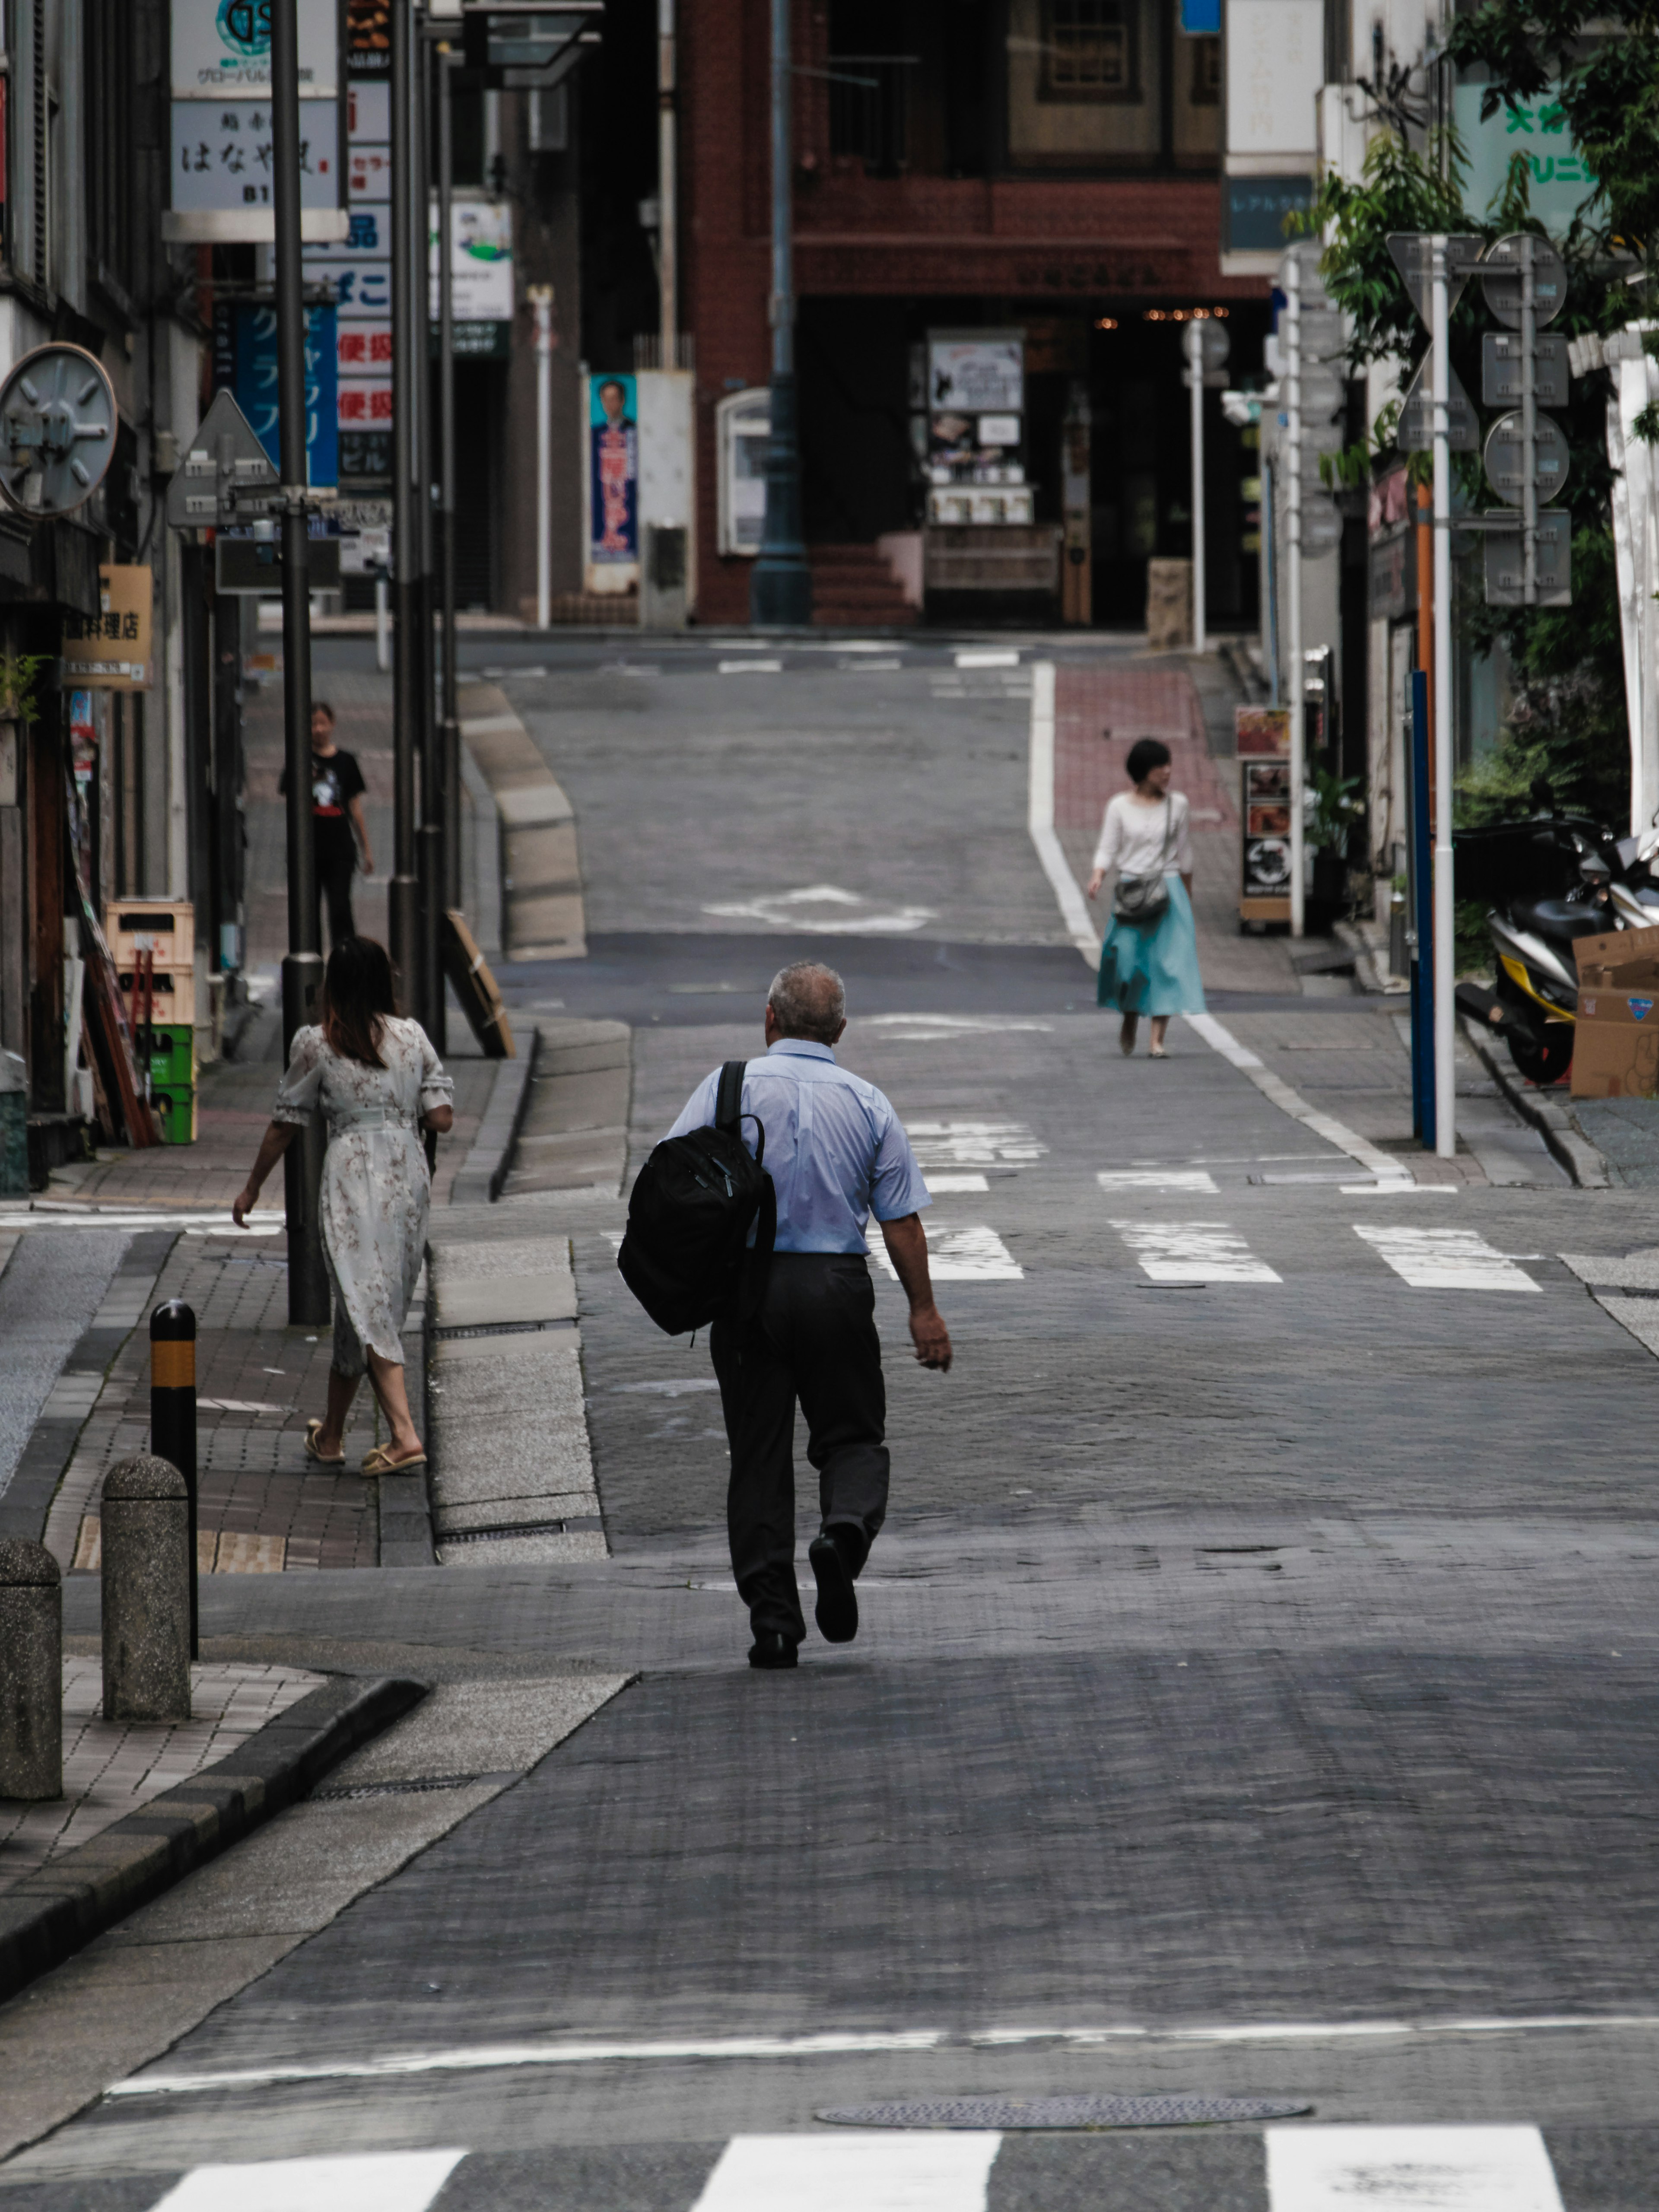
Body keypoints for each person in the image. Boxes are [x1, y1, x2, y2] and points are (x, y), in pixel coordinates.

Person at [663, 962, 953, 1671]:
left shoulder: (726, 1089)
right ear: (841, 1032)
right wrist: (924, 1310)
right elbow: (902, 1222)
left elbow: (668, 1178)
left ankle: (774, 1625)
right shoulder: (867, 1103)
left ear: (769, 1019)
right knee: (853, 1434)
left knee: (759, 1458)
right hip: (836, 1284)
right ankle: (844, 1535)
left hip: (749, 1292)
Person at [232, 938, 451, 1475]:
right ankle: (330, 1436)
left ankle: (403, 1436)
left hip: (353, 1174)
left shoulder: (317, 1043)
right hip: (407, 1175)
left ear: (334, 984)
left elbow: (285, 1123)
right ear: (384, 981)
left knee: (366, 1300)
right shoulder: (412, 1035)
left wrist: (253, 1187)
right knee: (365, 1303)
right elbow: (441, 1116)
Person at [1086, 735, 1207, 1058]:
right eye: (1159, 766)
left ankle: (1157, 1040)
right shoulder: (1119, 806)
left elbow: (1185, 853)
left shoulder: (1178, 804)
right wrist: (1098, 874)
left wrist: (1188, 891)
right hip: (1131, 891)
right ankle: (1129, 1017)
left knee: (1167, 965)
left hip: (1169, 891)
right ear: (1142, 771)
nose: (1167, 771)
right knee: (1127, 963)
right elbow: (1108, 847)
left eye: (1168, 765)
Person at [277, 701, 373, 950]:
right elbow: (290, 801)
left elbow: (355, 809)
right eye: (313, 724)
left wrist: (367, 850)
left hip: (340, 850)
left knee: (341, 910)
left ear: (332, 724)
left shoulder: (346, 762)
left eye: (323, 723)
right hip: (308, 851)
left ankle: (346, 962)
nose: (318, 729)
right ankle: (313, 968)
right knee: (308, 915)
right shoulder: (299, 760)